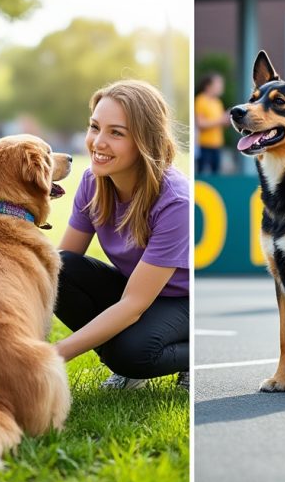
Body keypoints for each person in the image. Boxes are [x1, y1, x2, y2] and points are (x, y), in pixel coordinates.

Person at [54, 79, 190, 390]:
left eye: (116, 133)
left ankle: (187, 358)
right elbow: (58, 265)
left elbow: (133, 303)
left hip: (181, 300)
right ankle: (119, 358)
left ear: (144, 140)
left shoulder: (175, 201)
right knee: (55, 271)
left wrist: (53, 356)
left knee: (132, 353)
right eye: (94, 127)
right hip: (137, 291)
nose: (97, 142)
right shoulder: (93, 181)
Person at [194, 72, 229, 175]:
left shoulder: (218, 102)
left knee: (216, 175)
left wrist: (228, 119)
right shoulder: (201, 100)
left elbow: (222, 123)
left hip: (217, 145)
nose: (221, 87)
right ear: (208, 86)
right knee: (203, 175)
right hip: (204, 145)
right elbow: (200, 124)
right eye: (218, 84)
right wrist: (220, 120)